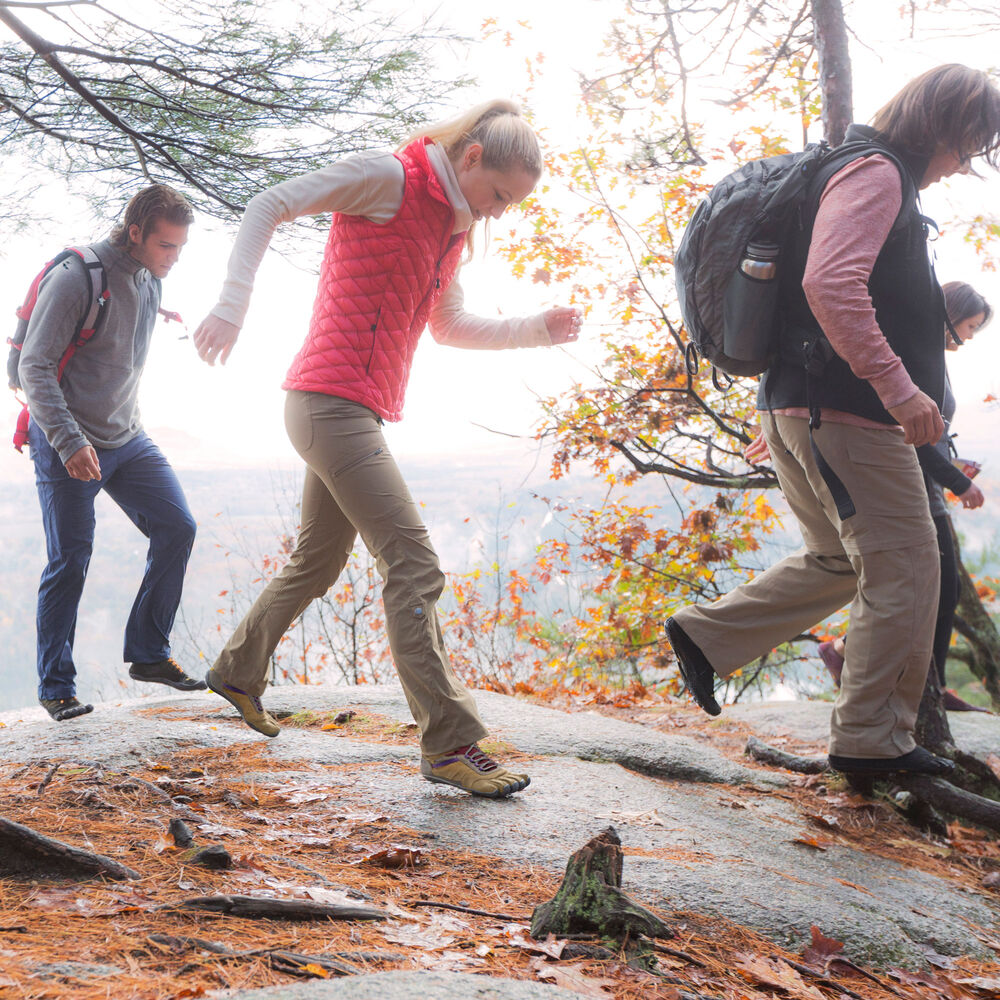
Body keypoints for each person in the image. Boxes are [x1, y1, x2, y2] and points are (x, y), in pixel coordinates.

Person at [192, 100, 581, 798]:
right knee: (414, 564)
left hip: (347, 409)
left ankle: (236, 672)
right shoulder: (388, 178)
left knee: (319, 559)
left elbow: (448, 324)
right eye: (499, 194)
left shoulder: (449, 227)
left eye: (511, 203)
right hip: (327, 404)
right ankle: (450, 742)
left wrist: (536, 329)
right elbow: (269, 203)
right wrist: (231, 304)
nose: (499, 211)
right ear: (469, 158)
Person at [665, 65, 1000, 776]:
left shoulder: (845, 168)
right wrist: (901, 389)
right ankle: (871, 741)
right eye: (967, 146)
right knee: (909, 566)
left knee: (836, 561)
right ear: (942, 128)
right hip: (849, 414)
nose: (962, 164)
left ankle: (704, 636)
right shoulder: (877, 173)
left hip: (805, 409)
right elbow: (830, 282)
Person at [18, 184, 204, 723]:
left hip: (128, 439)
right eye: (166, 246)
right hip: (66, 443)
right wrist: (70, 441)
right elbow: (34, 365)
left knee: (178, 527)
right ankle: (57, 687)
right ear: (136, 232)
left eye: (180, 248)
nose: (173, 258)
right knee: (70, 560)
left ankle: (148, 654)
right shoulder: (79, 277)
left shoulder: (148, 278)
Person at [818, 282, 992, 713]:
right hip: (909, 486)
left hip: (923, 484)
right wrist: (959, 482)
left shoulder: (929, 357)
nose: (968, 339)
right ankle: (915, 683)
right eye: (969, 327)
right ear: (951, 315)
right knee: (932, 588)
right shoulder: (913, 356)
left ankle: (902, 674)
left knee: (934, 589)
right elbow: (910, 437)